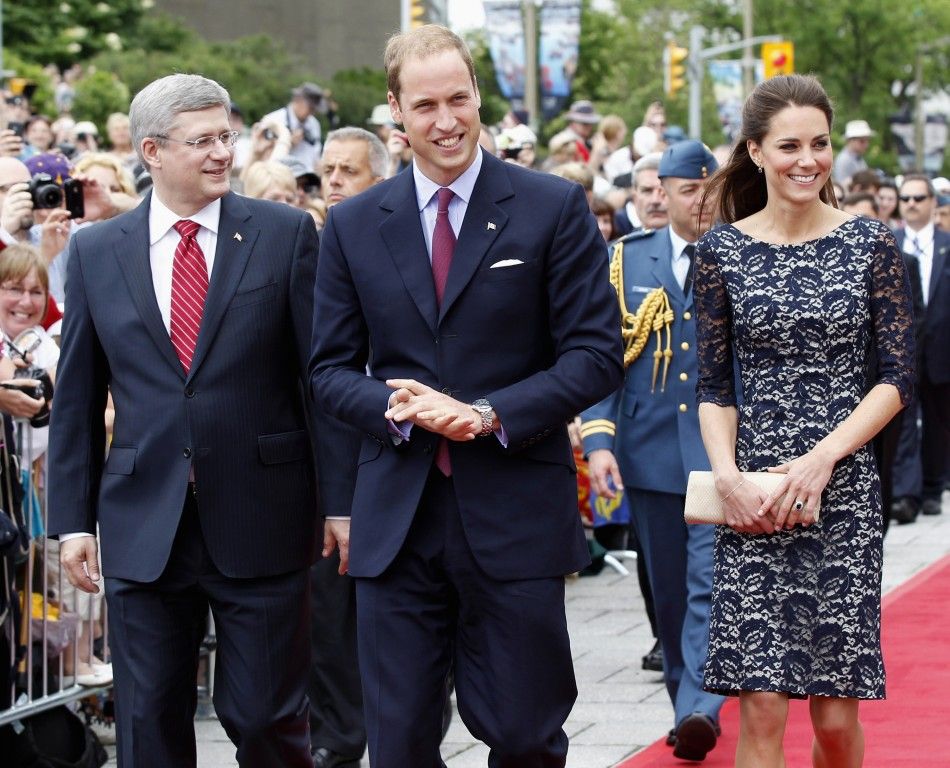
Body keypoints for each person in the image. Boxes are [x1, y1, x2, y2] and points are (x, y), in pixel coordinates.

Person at [309, 24, 622, 768]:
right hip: (398, 523)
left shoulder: (552, 208)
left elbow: (595, 355)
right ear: (396, 111)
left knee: (523, 735)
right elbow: (328, 370)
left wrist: (485, 415)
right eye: (424, 106)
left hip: (514, 515)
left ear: (480, 95)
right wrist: (398, 407)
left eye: (458, 98)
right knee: (400, 744)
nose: (445, 120)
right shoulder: (354, 225)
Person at [46, 73, 356, 768]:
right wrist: (71, 521)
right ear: (151, 151)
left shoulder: (282, 235)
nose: (222, 153)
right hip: (142, 522)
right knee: (149, 719)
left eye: (227, 137)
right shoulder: (98, 252)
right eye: (203, 141)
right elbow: (76, 398)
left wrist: (343, 503)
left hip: (264, 516)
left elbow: (320, 381)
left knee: (267, 719)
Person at [693, 74, 914, 767]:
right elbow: (712, 385)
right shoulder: (720, 253)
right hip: (755, 500)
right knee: (759, 708)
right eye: (789, 145)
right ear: (756, 151)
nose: (807, 160)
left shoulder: (873, 246)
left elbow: (897, 377)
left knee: (835, 718)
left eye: (819, 143)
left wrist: (824, 459)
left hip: (841, 497)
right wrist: (728, 479)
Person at [581, 140, 725, 762]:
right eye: (685, 188)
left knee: (708, 582)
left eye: (705, 188)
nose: (697, 199)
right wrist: (600, 440)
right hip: (649, 449)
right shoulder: (624, 262)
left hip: (722, 452)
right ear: (659, 194)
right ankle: (682, 701)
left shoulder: (740, 256)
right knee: (666, 587)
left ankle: (700, 704)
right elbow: (601, 357)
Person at [308, 125, 385, 768]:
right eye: (326, 170)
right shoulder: (300, 245)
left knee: (398, 614)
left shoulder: (397, 244)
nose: (333, 181)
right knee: (329, 613)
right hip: (326, 455)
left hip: (398, 449)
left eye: (348, 171)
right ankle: (337, 734)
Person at [891, 174, 949, 520]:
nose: (911, 204)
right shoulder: (890, 242)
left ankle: (932, 487)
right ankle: (906, 493)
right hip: (902, 350)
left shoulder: (945, 242)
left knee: (939, 421)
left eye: (918, 198)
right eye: (906, 198)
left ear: (932, 203)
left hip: (940, 346)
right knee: (904, 422)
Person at [832, 119, 873, 186]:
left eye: (867, 141)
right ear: (850, 141)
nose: (866, 145)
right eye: (862, 141)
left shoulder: (858, 158)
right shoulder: (844, 160)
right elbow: (841, 186)